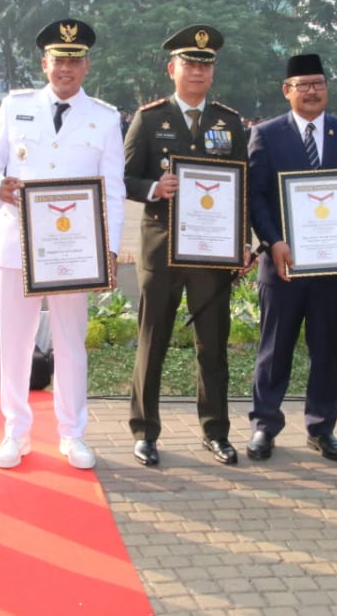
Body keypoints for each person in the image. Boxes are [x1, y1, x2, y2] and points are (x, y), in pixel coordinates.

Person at [0, 18, 124, 470]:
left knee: (70, 340)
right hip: (17, 240)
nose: (66, 68)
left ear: (86, 66)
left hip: (75, 250)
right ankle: (15, 431)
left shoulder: (104, 116)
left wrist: (110, 250)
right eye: (59, 59)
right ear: (44, 63)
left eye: (75, 60)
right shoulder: (16, 106)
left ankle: (72, 432)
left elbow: (113, 189)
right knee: (15, 342)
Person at [124, 25, 247, 467]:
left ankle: (215, 431)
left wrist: (243, 243)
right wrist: (156, 186)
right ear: (172, 68)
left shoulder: (230, 123)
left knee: (212, 344)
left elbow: (242, 188)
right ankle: (145, 431)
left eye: (205, 64)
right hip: (162, 248)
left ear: (212, 73)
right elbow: (125, 178)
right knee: (151, 340)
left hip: (212, 253)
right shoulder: (150, 118)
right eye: (190, 64)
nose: (197, 71)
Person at [245, 54, 337, 463]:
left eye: (318, 83)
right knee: (274, 349)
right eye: (303, 84)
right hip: (283, 266)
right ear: (287, 91)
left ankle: (322, 428)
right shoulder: (267, 134)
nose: (312, 91)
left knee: (327, 349)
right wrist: (272, 241)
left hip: (335, 268)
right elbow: (257, 196)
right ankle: (264, 424)